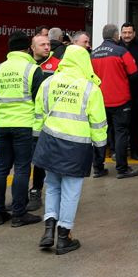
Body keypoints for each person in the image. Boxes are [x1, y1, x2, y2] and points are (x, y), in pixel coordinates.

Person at [32, 44, 107, 254]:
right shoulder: (90, 88)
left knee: (52, 186)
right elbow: (98, 123)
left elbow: (39, 113)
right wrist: (100, 146)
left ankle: (48, 231)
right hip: (76, 146)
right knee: (70, 192)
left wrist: (38, 136)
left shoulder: (48, 82)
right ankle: (64, 237)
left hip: (50, 141)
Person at [0, 32, 47, 227]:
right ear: (28, 48)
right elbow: (40, 101)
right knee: (22, 168)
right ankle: (19, 214)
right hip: (24, 125)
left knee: (1, 167)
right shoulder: (33, 69)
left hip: (2, 125)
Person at [89, 24, 138, 179]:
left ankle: (98, 168)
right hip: (120, 100)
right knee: (121, 133)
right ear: (116, 35)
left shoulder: (93, 54)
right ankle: (122, 169)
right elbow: (134, 74)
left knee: (99, 133)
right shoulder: (121, 51)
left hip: (99, 100)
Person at [27, 33, 56, 209]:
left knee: (40, 160)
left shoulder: (57, 65)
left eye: (48, 44)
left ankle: (36, 191)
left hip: (46, 121)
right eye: (42, 44)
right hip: (25, 119)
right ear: (32, 48)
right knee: (24, 161)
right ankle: (20, 195)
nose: (47, 47)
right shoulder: (26, 64)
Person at [120, 22, 138, 160]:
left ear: (134, 33)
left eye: (129, 32)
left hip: (137, 92)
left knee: (136, 123)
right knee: (120, 124)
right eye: (124, 32)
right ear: (121, 33)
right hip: (120, 92)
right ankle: (118, 151)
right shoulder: (116, 46)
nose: (127, 35)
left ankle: (135, 150)